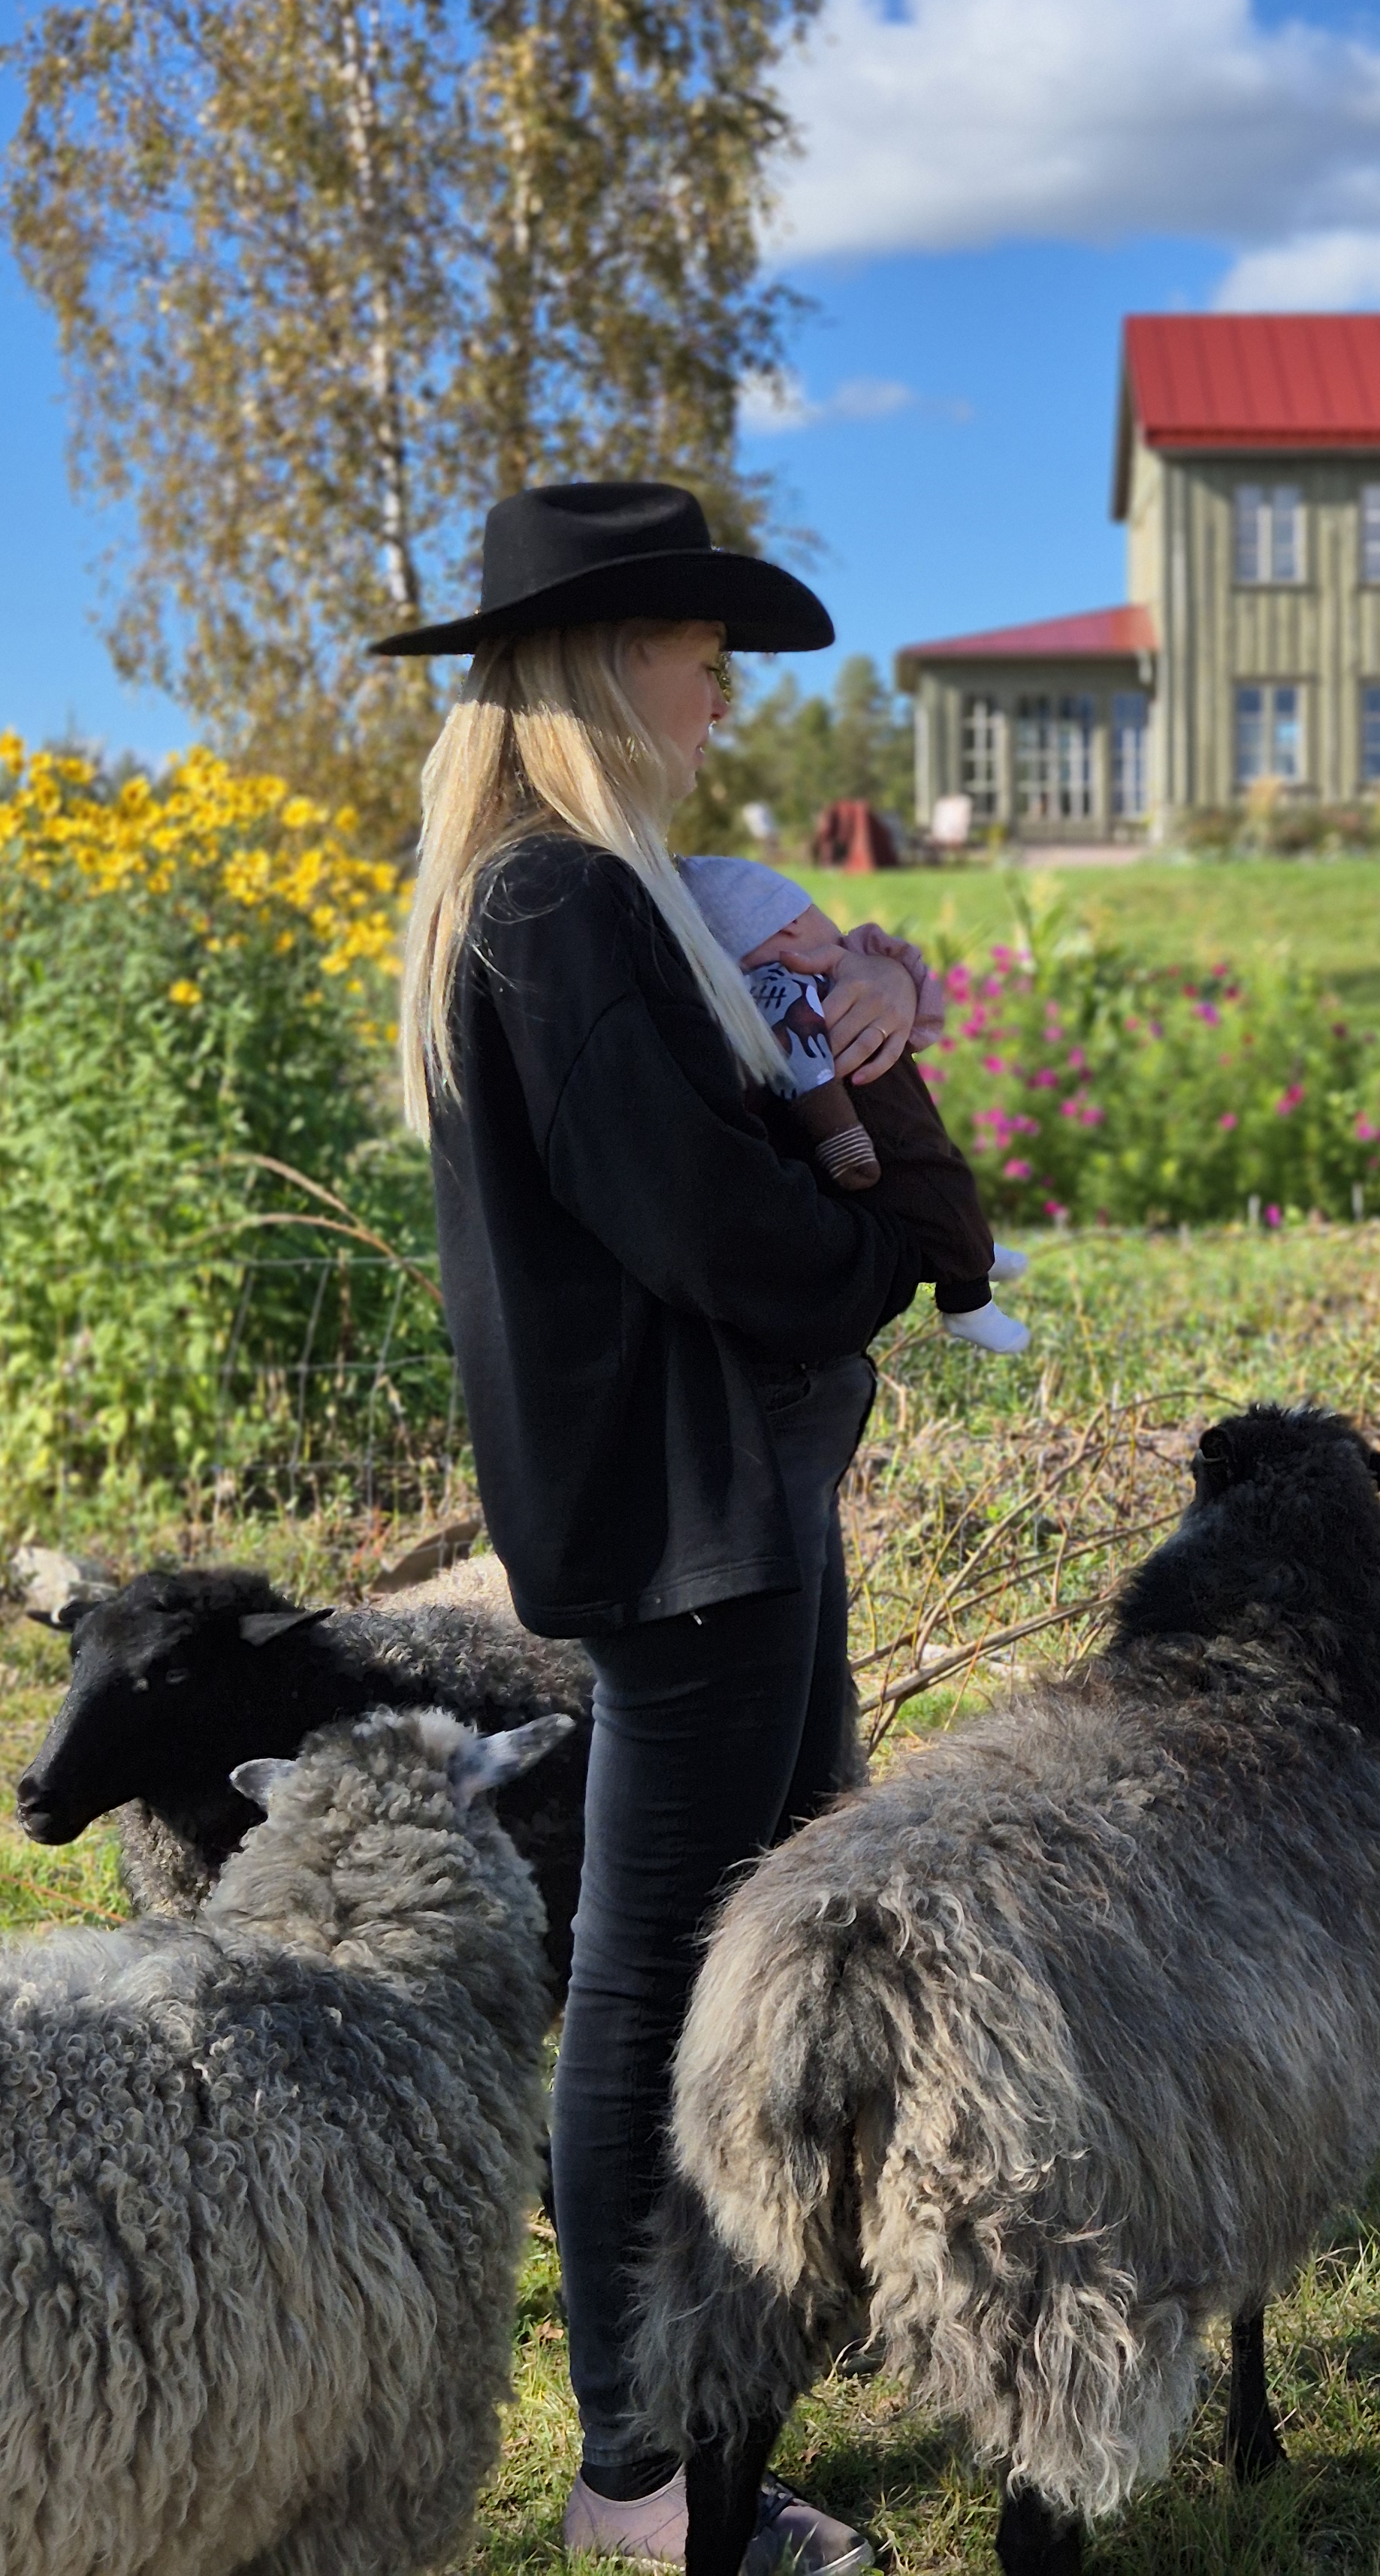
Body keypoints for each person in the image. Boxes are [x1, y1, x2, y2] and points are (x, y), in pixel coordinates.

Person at [378, 480, 922, 2574]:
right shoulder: (559, 911)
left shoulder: (591, 895)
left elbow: (768, 1025)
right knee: (650, 1979)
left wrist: (869, 983)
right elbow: (720, 1227)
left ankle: (730, 2376)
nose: (723, 679)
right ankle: (636, 2470)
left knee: (746, 1939)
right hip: (698, 1513)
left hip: (724, 1496)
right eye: (699, 642)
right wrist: (876, 1217)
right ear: (616, 660)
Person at [678, 855, 1032, 1355]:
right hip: (876, 1132)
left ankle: (973, 1247)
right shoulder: (787, 991)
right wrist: (842, 1138)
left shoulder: (829, 974)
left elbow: (917, 1011)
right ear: (791, 925)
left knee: (941, 1181)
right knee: (931, 1182)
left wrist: (892, 974)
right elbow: (811, 1077)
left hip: (891, 1116)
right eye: (815, 911)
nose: (836, 929)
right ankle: (971, 1304)